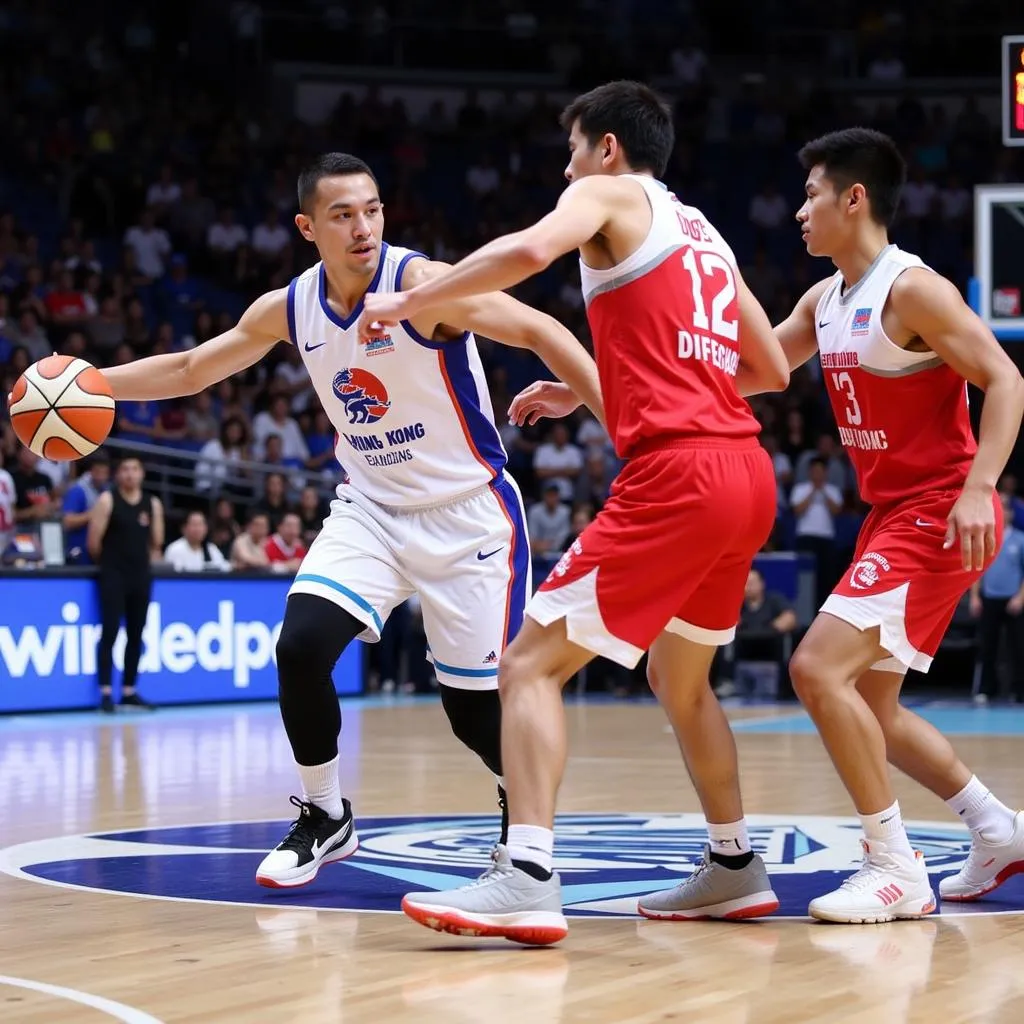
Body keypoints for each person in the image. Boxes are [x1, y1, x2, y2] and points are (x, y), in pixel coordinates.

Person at [83, 152, 604, 889]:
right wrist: (92, 386)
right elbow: (192, 369)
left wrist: (604, 405)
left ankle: (519, 812)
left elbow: (540, 328)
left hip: (469, 518)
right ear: (307, 227)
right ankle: (327, 816)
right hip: (371, 508)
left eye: (373, 209)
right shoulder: (291, 307)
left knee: (473, 716)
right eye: (342, 214)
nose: (363, 227)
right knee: (299, 648)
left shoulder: (423, 285)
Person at [359, 80, 791, 944]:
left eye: (572, 149)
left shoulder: (602, 193)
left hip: (679, 478)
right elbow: (772, 366)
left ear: (606, 149)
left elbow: (526, 252)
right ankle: (735, 864)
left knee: (526, 666)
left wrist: (410, 302)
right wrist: (614, 384)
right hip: (746, 471)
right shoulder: (704, 233)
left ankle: (525, 872)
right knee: (681, 679)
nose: (566, 167)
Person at [771, 128, 1024, 922]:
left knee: (816, 670)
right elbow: (752, 372)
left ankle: (893, 865)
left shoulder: (913, 289)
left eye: (812, 194)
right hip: (890, 516)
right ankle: (999, 831)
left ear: (854, 199)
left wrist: (982, 486)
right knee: (872, 709)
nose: (799, 211)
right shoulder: (824, 299)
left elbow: (1006, 378)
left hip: (941, 512)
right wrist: (592, 388)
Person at [87, 455, 163, 713]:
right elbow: (93, 542)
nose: (130, 474)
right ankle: (106, 691)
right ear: (117, 474)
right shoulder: (108, 500)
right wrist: (111, 564)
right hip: (113, 574)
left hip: (140, 575)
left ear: (142, 473)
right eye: (125, 469)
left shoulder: (152, 503)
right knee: (110, 631)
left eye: (134, 469)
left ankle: (129, 690)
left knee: (136, 633)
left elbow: (156, 542)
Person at [969, 489, 1024, 703]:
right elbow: (976, 570)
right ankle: (985, 689)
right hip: (989, 598)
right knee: (986, 645)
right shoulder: (983, 539)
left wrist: (1020, 597)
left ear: (1010, 513)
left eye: (1004, 507)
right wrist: (975, 597)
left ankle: (1019, 690)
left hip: (1014, 600)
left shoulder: (1020, 539)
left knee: (1019, 647)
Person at [163, 509, 230, 572]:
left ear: (206, 528)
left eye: (200, 524)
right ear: (184, 528)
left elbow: (223, 568)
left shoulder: (211, 549)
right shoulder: (175, 549)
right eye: (194, 524)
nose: (198, 529)